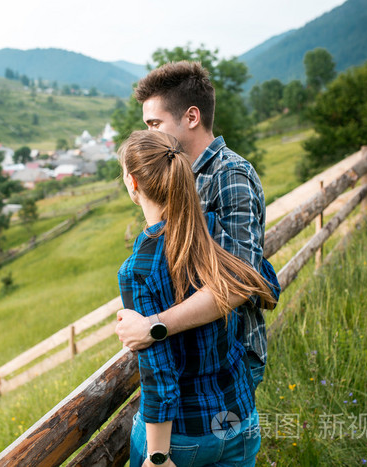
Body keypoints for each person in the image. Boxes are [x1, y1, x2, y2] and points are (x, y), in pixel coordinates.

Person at [115, 61, 278, 391]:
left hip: (230, 358)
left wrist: (154, 326)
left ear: (191, 117)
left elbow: (237, 283)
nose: (149, 135)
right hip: (192, 358)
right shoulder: (179, 174)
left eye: (155, 123)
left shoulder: (230, 177)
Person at [118, 130, 276, 466]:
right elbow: (265, 279)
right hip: (239, 419)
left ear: (133, 183)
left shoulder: (138, 270)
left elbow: (157, 373)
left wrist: (158, 456)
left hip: (184, 437)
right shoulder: (212, 231)